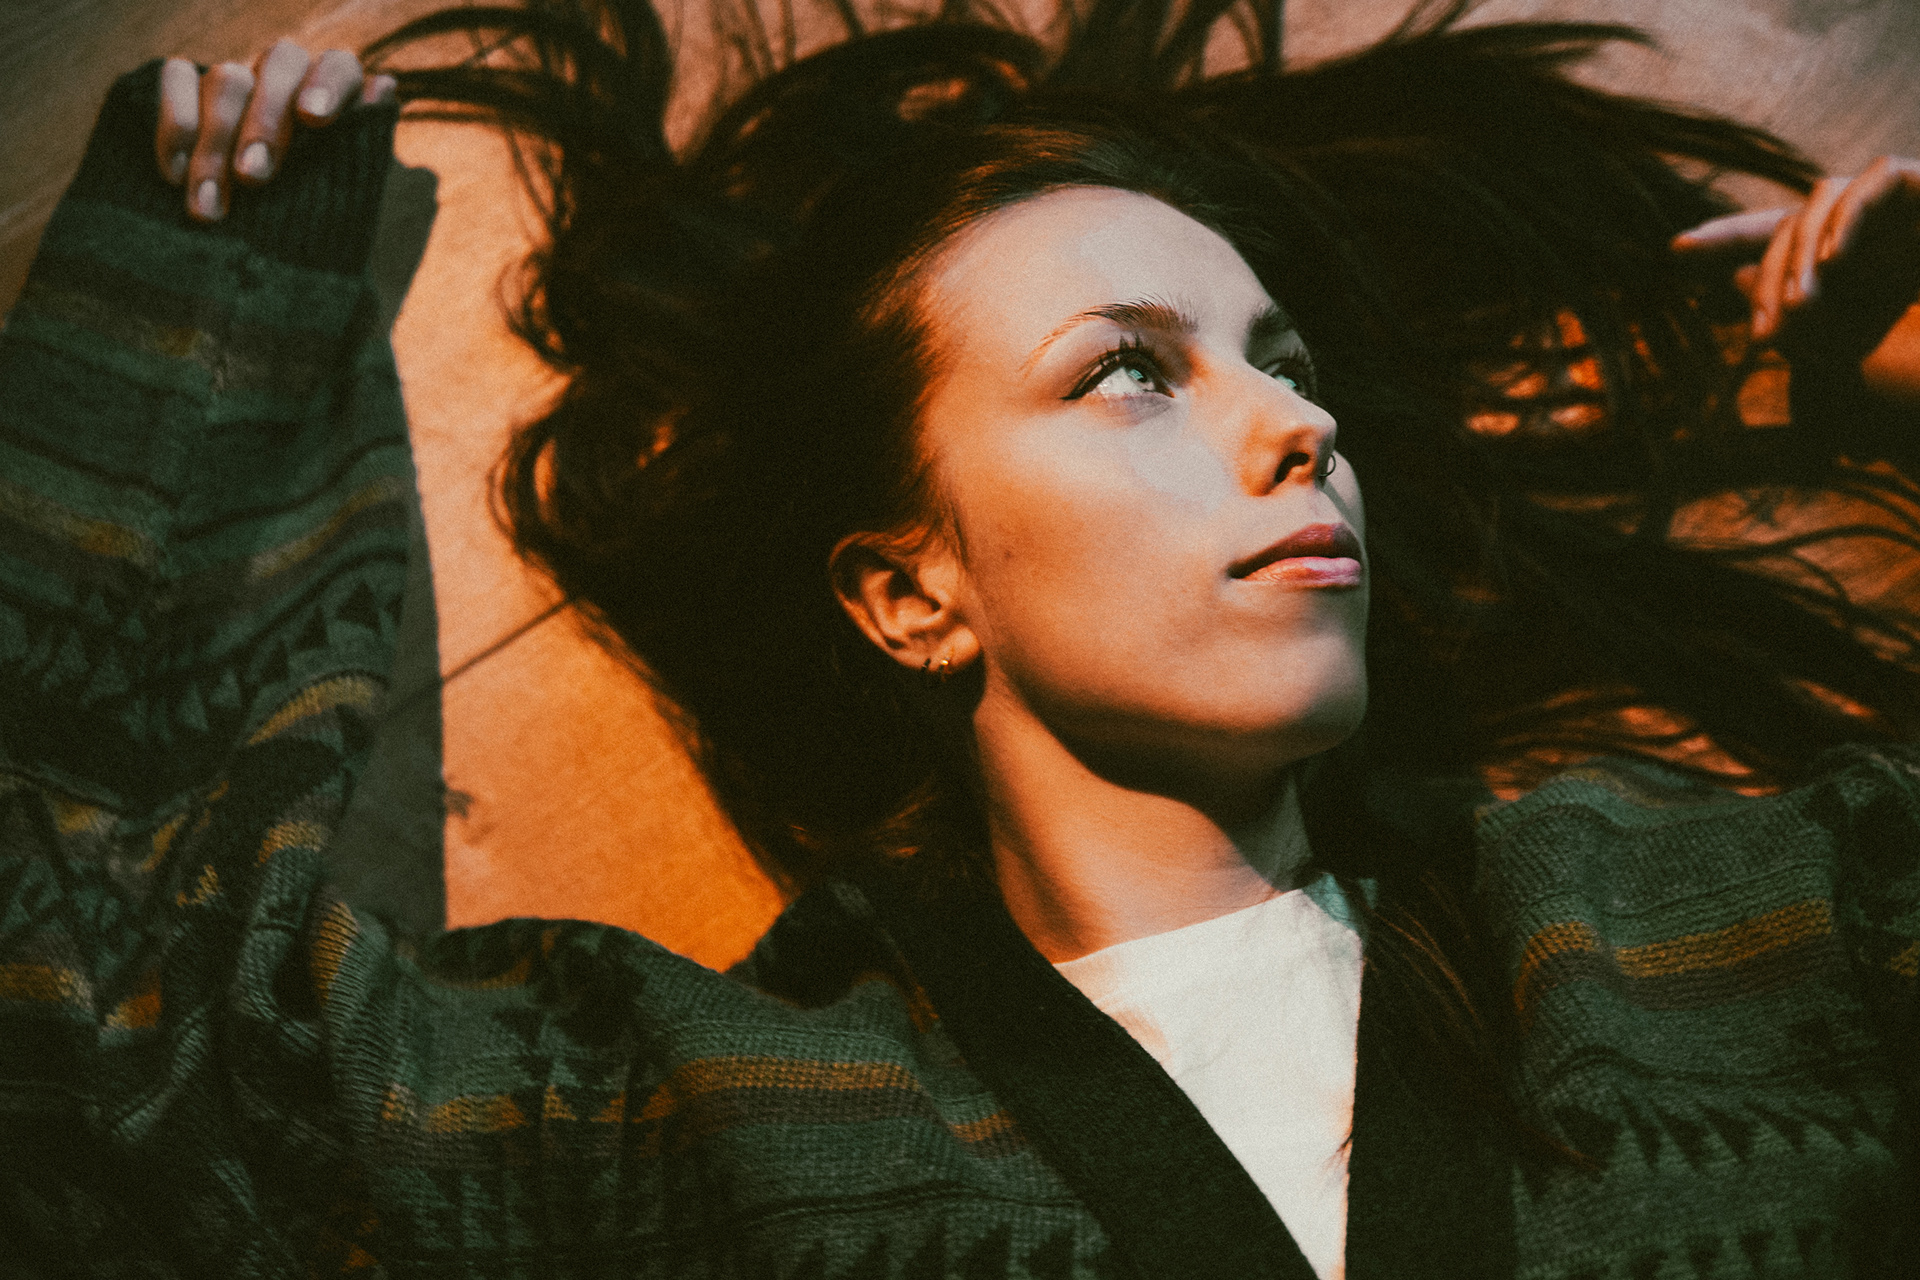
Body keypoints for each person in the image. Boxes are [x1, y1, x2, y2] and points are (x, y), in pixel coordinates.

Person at [2, 0, 1916, 1274]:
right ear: (909, 592)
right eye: (1129, 373)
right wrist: (204, 328)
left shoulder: (1713, 928)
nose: (1298, 425)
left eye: (1284, 361)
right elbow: (106, 1049)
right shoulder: (699, 1118)